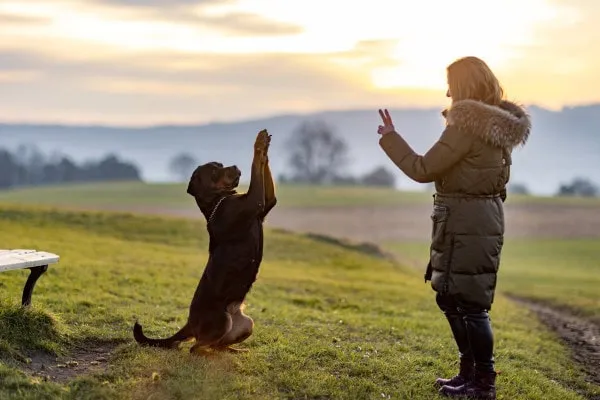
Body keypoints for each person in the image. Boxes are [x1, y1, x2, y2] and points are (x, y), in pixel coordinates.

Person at [376, 56, 531, 399]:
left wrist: (390, 137)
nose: (447, 92)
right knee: (450, 297)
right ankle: (469, 373)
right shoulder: (497, 126)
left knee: (471, 305)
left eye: (451, 84)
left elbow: (422, 168)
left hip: (467, 222)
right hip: (471, 218)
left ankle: (483, 383)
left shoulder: (466, 126)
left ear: (462, 86)